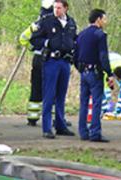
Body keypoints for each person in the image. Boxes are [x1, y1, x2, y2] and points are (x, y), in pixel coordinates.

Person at [30, 0, 77, 139]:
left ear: (66, 8)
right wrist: (47, 43)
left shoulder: (71, 23)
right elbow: (34, 39)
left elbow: (74, 39)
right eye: (55, 7)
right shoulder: (47, 21)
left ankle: (60, 126)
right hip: (51, 61)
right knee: (49, 95)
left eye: (59, 8)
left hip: (65, 61)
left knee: (61, 95)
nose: (56, 10)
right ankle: (47, 128)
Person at [75, 9, 113, 143]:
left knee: (84, 102)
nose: (105, 21)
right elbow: (103, 56)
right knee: (97, 103)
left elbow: (75, 55)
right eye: (104, 19)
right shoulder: (100, 35)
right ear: (98, 19)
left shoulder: (81, 34)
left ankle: (83, 132)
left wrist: (79, 68)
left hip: (83, 72)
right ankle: (95, 133)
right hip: (95, 72)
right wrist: (109, 73)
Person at [18, 0, 55, 126]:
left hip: (37, 59)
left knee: (36, 88)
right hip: (50, 59)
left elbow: (23, 38)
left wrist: (32, 48)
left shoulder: (35, 25)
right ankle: (55, 119)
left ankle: (32, 118)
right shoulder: (55, 24)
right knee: (52, 88)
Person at [102, 52, 121, 117]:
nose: (119, 81)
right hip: (107, 61)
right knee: (100, 88)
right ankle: (104, 109)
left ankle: (120, 110)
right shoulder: (108, 69)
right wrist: (109, 100)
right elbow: (105, 86)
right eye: (118, 79)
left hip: (120, 61)